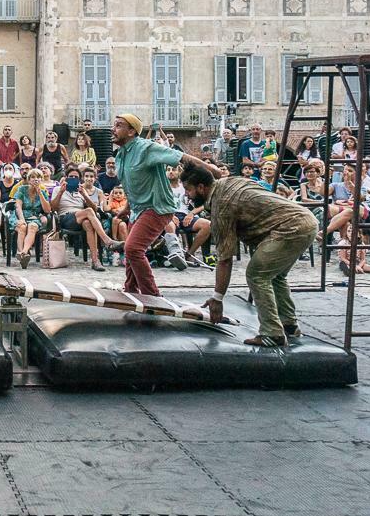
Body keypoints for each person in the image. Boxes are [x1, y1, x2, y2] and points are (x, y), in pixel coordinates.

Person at [182, 162, 318, 347]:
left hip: (290, 227)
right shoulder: (227, 182)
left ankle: (273, 334)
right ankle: (288, 325)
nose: (187, 195)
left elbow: (225, 259)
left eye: (188, 190)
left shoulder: (221, 204)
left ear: (201, 187)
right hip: (306, 220)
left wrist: (217, 299)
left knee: (257, 275)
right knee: (275, 276)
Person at [112, 113, 224, 295]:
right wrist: (126, 209)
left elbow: (181, 157)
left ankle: (152, 296)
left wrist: (211, 169)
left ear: (131, 131)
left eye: (118, 125)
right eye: (114, 125)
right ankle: (131, 291)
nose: (113, 129)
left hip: (157, 208)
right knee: (131, 250)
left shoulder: (146, 148)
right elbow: (131, 186)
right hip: (137, 210)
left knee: (133, 248)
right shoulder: (120, 155)